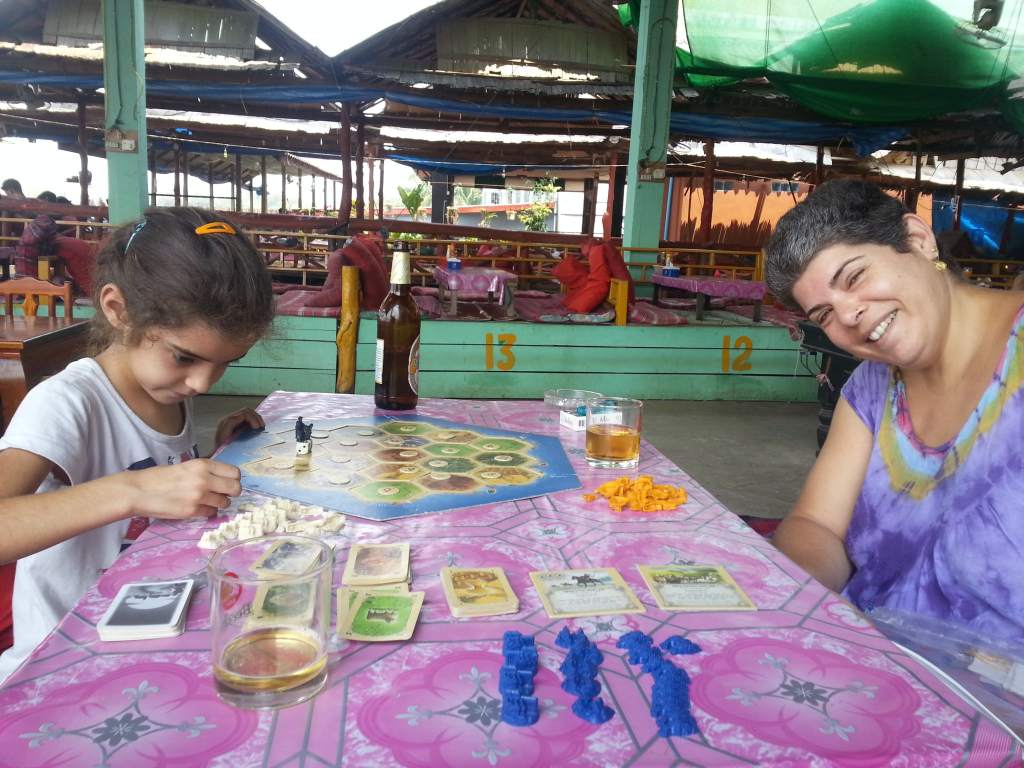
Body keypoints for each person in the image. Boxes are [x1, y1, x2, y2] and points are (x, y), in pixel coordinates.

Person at [0, 207, 275, 682]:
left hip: (151, 640)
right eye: (185, 357)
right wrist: (130, 490)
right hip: (64, 664)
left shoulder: (165, 391)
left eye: (226, 362)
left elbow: (155, 486)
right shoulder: (68, 402)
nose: (203, 383)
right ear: (117, 309)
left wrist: (209, 459)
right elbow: (137, 489)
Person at [765, 179, 1024, 643]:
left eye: (855, 277)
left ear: (919, 240)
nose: (847, 316)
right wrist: (789, 604)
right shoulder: (873, 385)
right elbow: (816, 524)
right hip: (873, 665)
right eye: (824, 315)